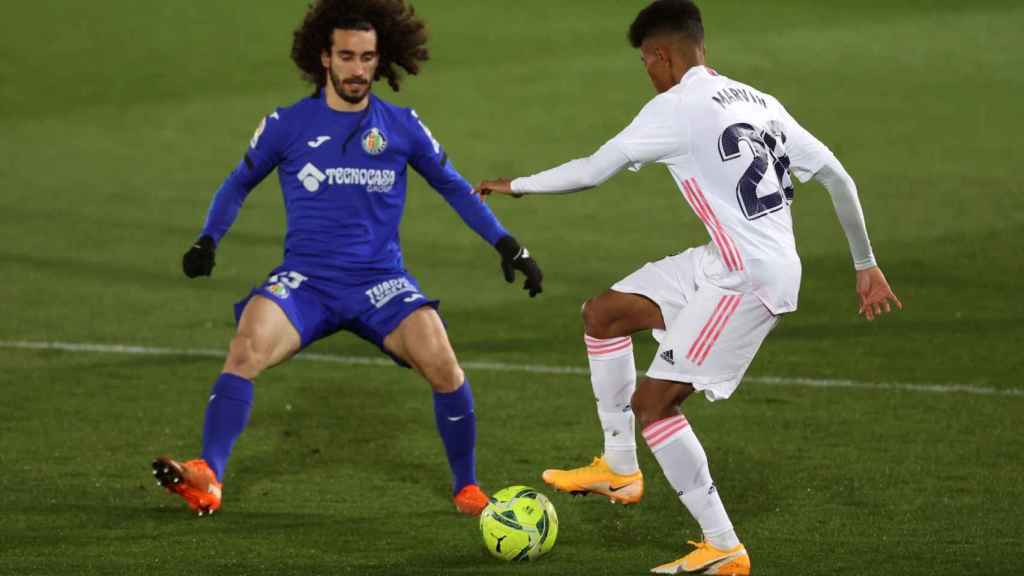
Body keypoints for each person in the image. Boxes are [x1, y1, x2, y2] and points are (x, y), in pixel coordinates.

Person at [478, 0, 901, 572]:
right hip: (725, 260)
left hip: (747, 278)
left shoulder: (674, 107)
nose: (648, 75)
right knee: (604, 314)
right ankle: (619, 468)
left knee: (653, 404)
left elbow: (592, 170)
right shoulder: (762, 103)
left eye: (646, 64)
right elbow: (836, 176)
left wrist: (516, 185)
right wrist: (865, 263)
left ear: (660, 56)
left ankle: (724, 548)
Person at [153, 0, 543, 519]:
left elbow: (453, 187)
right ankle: (208, 476)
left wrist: (507, 243)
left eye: (367, 58)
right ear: (325, 59)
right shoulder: (287, 125)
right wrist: (208, 239)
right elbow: (237, 182)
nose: (358, 69)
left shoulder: (402, 126)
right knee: (247, 346)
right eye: (347, 57)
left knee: (443, 363)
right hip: (307, 281)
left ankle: (467, 488)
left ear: (378, 60)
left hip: (381, 283)